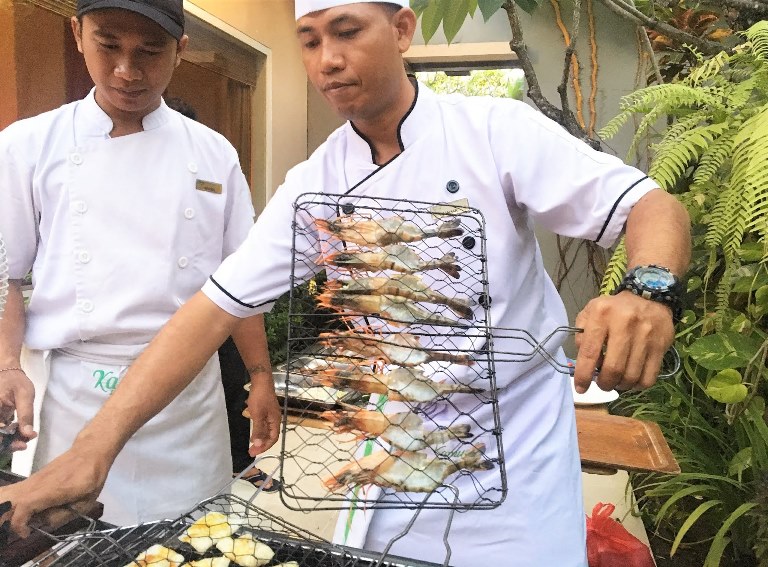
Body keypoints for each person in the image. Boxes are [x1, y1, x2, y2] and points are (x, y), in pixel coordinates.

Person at [0, 1, 690, 565]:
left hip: (512, 466)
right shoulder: (318, 184)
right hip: (391, 464)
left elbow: (651, 206)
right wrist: (91, 452)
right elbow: (211, 308)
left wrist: (649, 288)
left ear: (402, 30)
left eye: (347, 31)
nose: (327, 59)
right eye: (309, 40)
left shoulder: (495, 131)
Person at [0, 0, 280, 525]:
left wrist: (260, 375)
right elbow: (6, 275)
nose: (127, 71)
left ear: (180, 51)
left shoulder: (214, 153)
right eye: (108, 46)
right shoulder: (26, 145)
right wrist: (8, 365)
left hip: (184, 399)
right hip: (74, 397)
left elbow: (238, 282)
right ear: (77, 33)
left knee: (196, 540)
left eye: (150, 52)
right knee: (72, 544)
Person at [164, 96, 281, 492]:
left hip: (221, 314)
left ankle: (241, 463)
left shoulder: (215, 170)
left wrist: (261, 374)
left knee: (232, 390)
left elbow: (243, 266)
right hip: (157, 330)